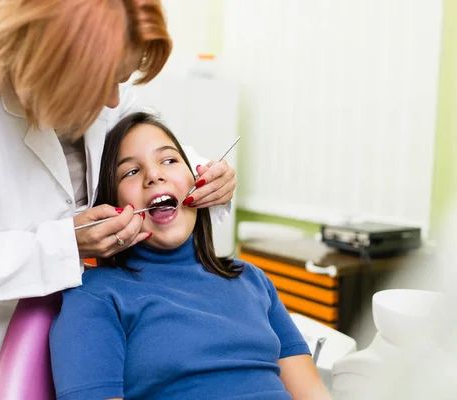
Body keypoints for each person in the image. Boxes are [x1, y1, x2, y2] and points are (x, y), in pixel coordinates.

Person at [0, 2, 237, 399]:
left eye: (121, 80)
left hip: (47, 337)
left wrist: (203, 172)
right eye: (104, 82)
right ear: (51, 65)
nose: (112, 100)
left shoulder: (105, 91)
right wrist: (65, 244)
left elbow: (140, 138)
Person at [49, 112, 331, 400]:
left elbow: (313, 394)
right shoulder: (95, 297)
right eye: (130, 172)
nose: (154, 175)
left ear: (199, 182)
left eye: (169, 160)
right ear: (113, 205)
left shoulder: (252, 279)